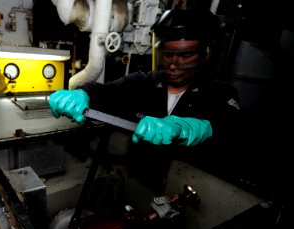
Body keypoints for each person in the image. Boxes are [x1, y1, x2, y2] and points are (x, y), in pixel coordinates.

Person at [48, 8, 241, 196]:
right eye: (167, 54)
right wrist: (82, 94)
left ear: (206, 54)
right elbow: (106, 91)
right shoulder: (145, 82)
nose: (173, 63)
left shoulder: (218, 90)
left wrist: (187, 127)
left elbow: (230, 125)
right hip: (138, 186)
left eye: (185, 55)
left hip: (185, 189)